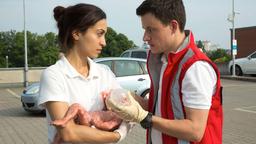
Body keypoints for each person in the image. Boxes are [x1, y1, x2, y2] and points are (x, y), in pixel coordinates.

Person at [106, 0, 223, 144]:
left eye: (151, 29)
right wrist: (137, 101)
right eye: (144, 29)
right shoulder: (163, 60)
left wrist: (144, 117)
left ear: (173, 26)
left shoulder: (195, 67)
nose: (145, 37)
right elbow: (165, 110)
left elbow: (195, 131)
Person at [38, 3, 130, 144]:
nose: (104, 42)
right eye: (99, 34)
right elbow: (69, 133)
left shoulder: (104, 73)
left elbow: (127, 113)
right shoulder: (54, 75)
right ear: (76, 33)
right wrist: (117, 135)